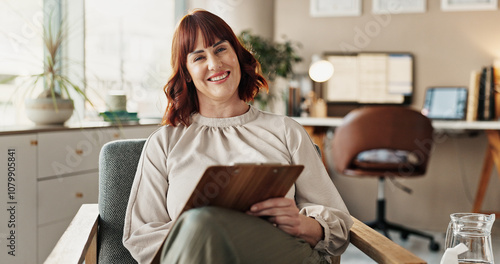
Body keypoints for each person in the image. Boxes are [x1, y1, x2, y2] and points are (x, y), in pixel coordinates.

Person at [123, 9, 353, 264]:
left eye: (220, 49)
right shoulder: (165, 142)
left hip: (281, 254)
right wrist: (202, 234)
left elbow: (340, 224)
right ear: (187, 72)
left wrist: (301, 225)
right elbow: (143, 236)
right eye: (199, 57)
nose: (214, 64)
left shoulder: (286, 131)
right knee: (200, 223)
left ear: (236, 54)